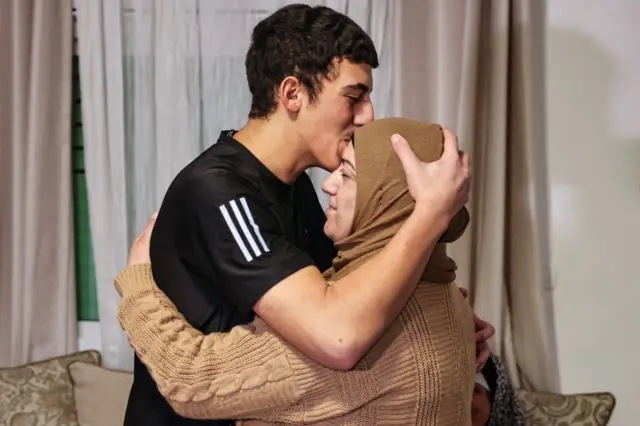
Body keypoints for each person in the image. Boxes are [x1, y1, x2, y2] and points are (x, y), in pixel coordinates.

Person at [121, 5, 493, 426]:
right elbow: (335, 336)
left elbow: (345, 288)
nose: (367, 115)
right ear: (293, 93)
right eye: (354, 96)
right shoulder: (219, 191)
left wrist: (435, 312)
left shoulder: (294, 184)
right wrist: (431, 213)